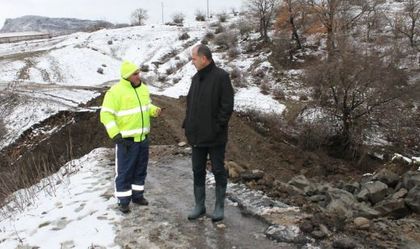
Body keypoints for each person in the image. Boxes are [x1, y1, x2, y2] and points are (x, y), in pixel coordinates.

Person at [100, 61, 161, 214]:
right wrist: (115, 135)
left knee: (140, 169)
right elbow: (106, 114)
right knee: (125, 171)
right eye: (135, 73)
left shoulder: (143, 89)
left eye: (138, 72)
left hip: (142, 139)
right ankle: (123, 201)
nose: (138, 75)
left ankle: (137, 196)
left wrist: (153, 111)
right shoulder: (115, 92)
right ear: (127, 76)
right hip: (126, 141)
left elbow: (146, 107)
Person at [183, 44, 234, 222]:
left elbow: (227, 106)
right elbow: (190, 104)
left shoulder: (221, 77)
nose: (192, 61)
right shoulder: (196, 78)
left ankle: (219, 206)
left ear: (204, 59)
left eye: (194, 58)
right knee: (197, 170)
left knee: (218, 169)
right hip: (196, 136)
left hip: (215, 137)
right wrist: (187, 124)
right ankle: (200, 206)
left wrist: (217, 127)